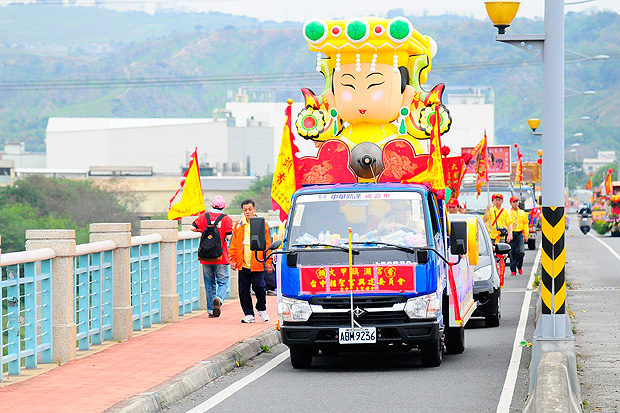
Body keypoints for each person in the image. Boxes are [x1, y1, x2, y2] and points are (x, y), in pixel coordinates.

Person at [228, 199, 273, 323]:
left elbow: (268, 244)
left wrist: (268, 262)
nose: (247, 212)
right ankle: (248, 314)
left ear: (254, 209)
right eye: (245, 210)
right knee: (243, 290)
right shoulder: (238, 225)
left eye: (250, 209)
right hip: (243, 264)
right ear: (242, 211)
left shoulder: (262, 224)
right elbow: (233, 244)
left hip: (257, 262)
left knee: (259, 287)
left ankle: (261, 309)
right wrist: (233, 260)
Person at [191, 196, 233, 318]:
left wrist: (202, 230)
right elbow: (229, 237)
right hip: (221, 257)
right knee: (223, 282)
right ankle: (219, 299)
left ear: (212, 205)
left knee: (209, 284)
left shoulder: (204, 217)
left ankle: (210, 310)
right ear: (223, 206)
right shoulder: (226, 219)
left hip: (206, 257)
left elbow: (192, 227)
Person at [508, 196, 529, 276]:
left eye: (517, 202)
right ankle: (513, 270)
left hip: (519, 234)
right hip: (511, 234)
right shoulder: (508, 213)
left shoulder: (522, 213)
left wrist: (526, 235)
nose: (516, 203)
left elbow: (525, 223)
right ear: (511, 203)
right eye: (514, 202)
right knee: (512, 253)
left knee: (521, 252)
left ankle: (519, 266)